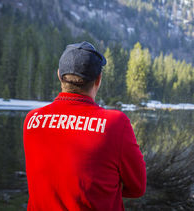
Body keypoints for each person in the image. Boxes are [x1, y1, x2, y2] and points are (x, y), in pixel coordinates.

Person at [23, 41, 146, 210]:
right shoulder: (116, 124)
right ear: (98, 79)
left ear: (59, 75)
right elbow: (137, 187)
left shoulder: (32, 120)